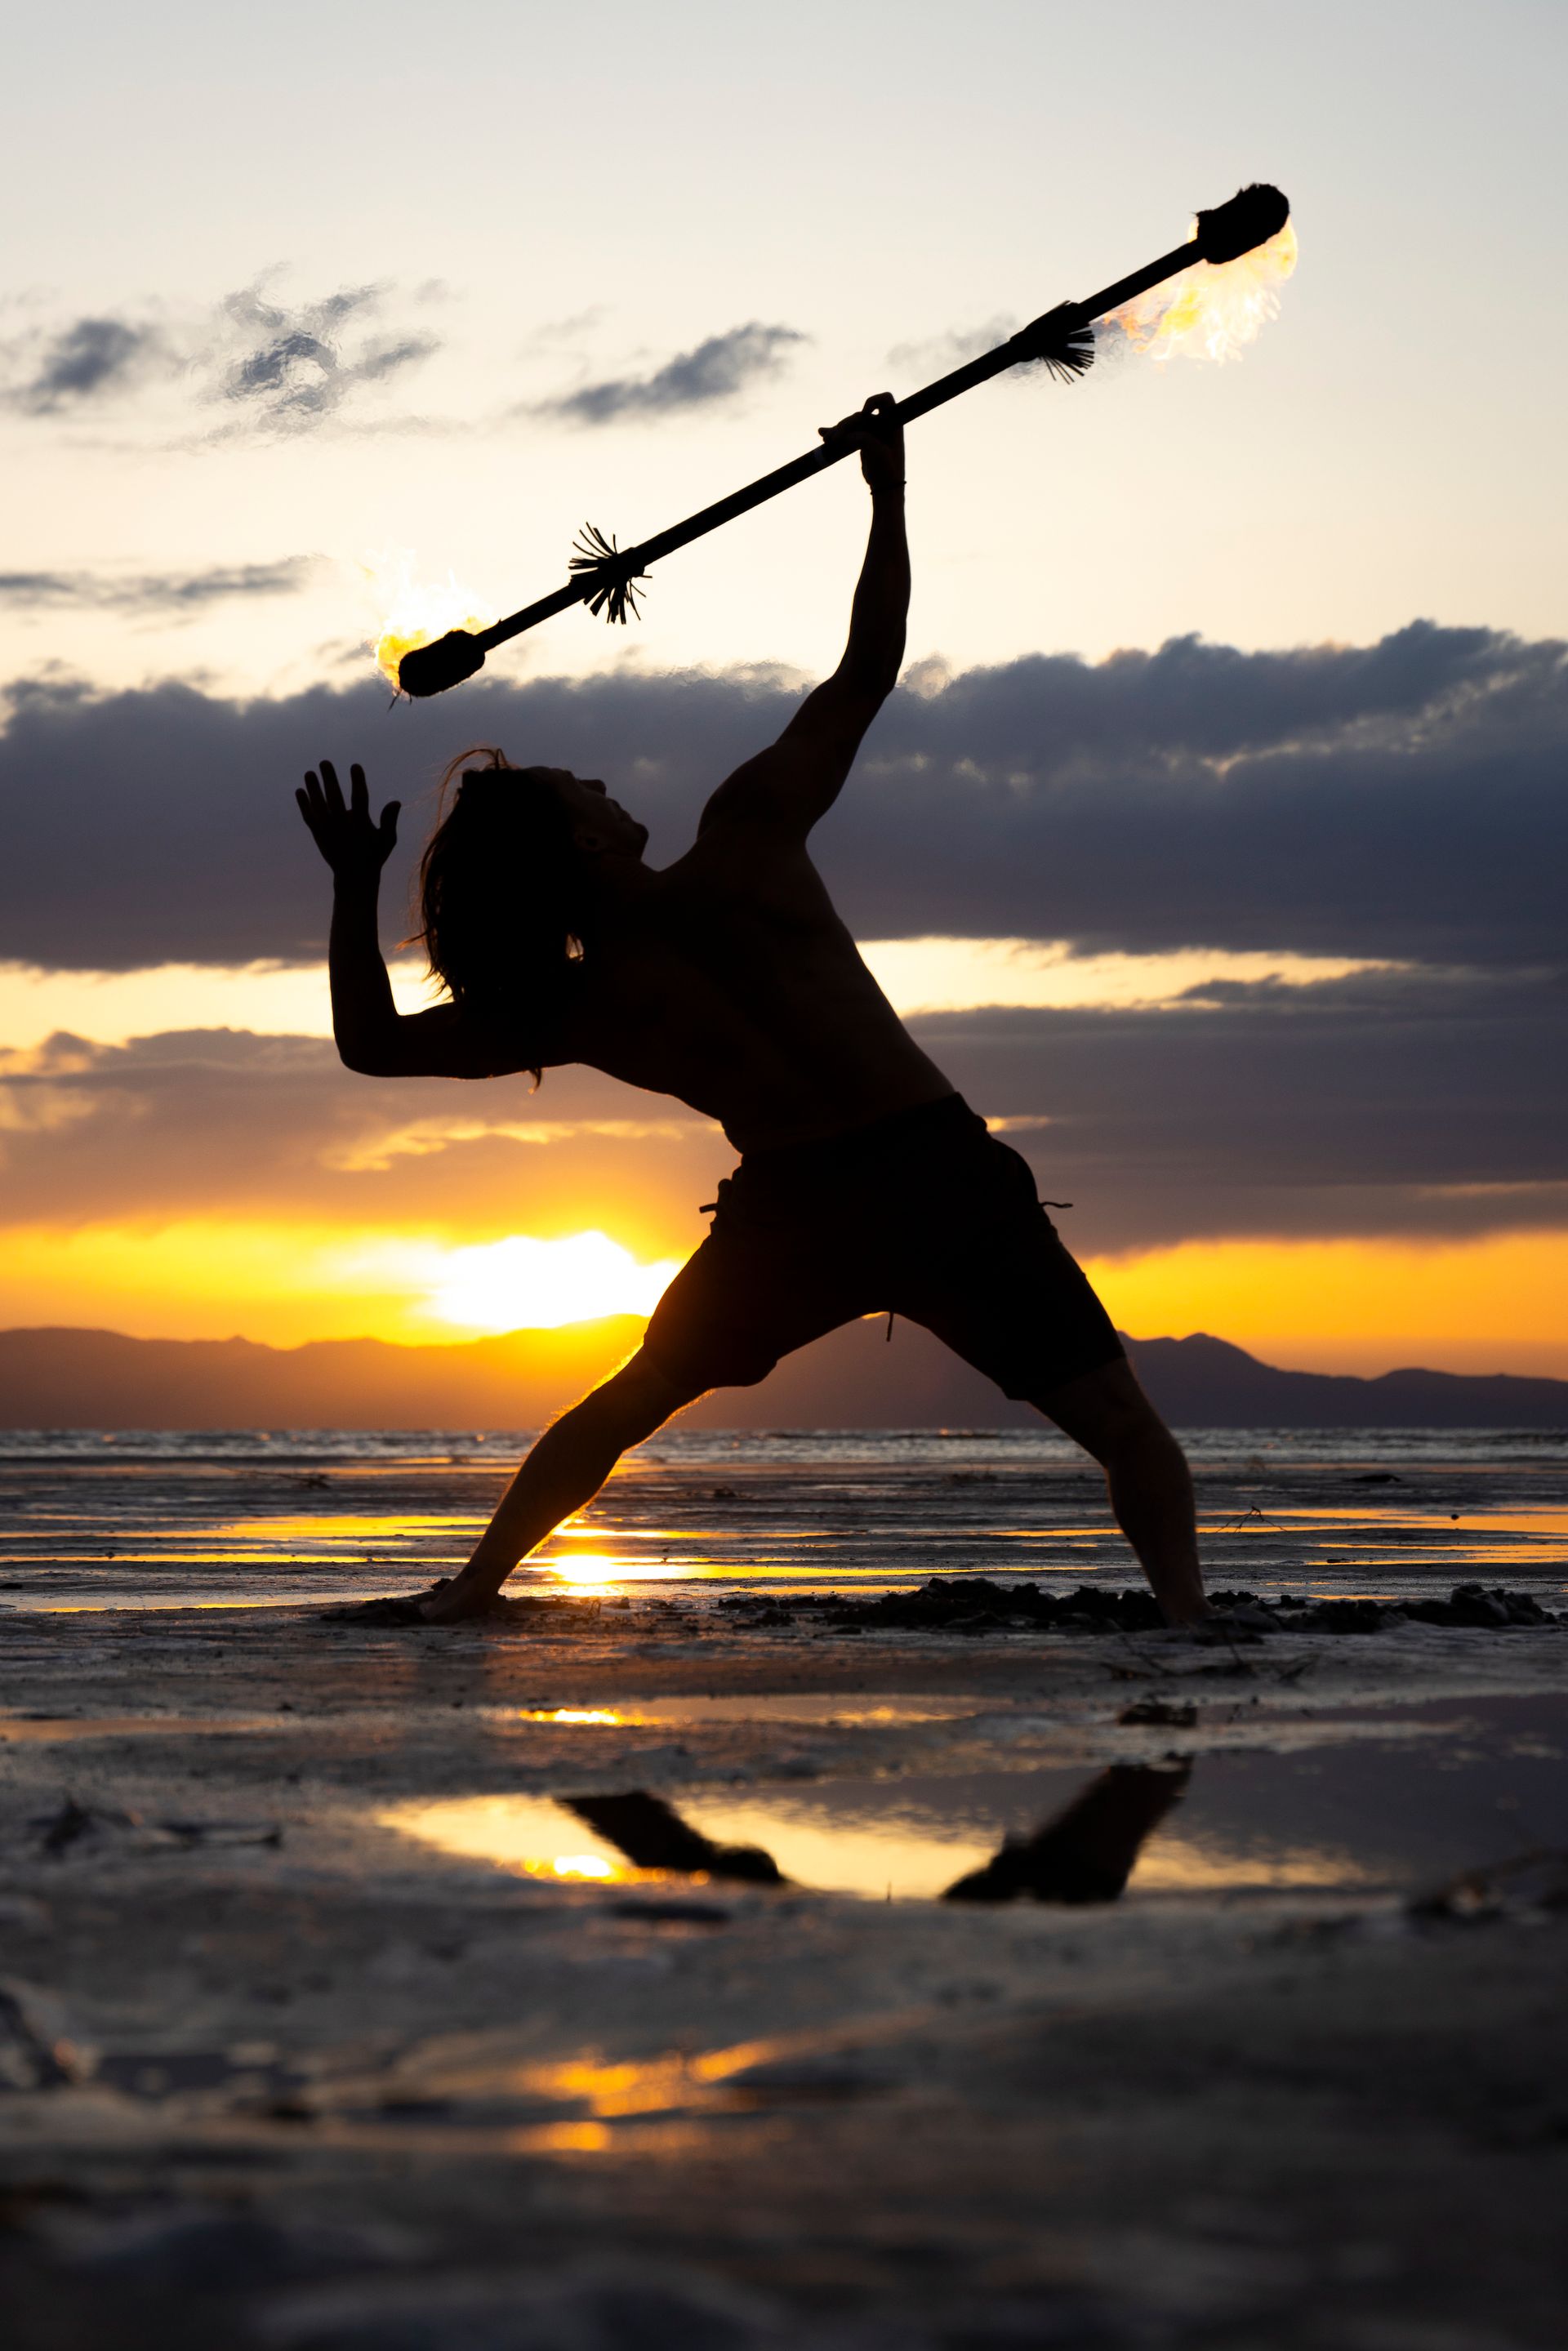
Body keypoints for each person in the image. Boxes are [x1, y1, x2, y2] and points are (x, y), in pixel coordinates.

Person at [296, 395, 1210, 1627]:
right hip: (918, 1181)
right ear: (579, 837)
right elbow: (866, 669)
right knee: (1124, 1431)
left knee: (624, 1404)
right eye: (586, 784)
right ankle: (1192, 1634)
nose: (609, 784)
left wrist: (355, 891)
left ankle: (472, 1589)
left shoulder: (582, 1002)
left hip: (805, 1210)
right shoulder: (748, 839)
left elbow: (372, 1046)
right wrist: (886, 496)